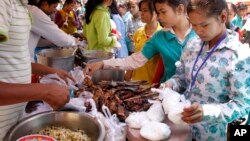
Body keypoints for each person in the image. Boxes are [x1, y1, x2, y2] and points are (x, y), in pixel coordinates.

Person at [162, 0, 250, 140]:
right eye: (193, 25)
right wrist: (171, 84)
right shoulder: (193, 44)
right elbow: (182, 78)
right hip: (183, 129)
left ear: (222, 17)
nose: (198, 31)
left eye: (204, 25)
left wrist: (207, 112)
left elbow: (243, 105)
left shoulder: (238, 55)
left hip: (213, 134)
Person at [0, 0, 73, 139]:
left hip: (13, 123)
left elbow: (15, 59)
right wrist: (44, 91)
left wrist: (51, 71)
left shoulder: (23, 6)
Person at [86, 0, 197, 84]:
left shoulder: (201, 32)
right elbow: (135, 60)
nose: (160, 17)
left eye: (163, 12)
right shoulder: (159, 37)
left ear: (180, 9)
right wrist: (103, 63)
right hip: (170, 95)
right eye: (158, 13)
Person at [124, 0, 162, 84]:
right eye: (141, 10)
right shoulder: (138, 32)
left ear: (156, 12)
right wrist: (128, 75)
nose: (142, 13)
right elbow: (135, 56)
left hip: (151, 84)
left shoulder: (161, 35)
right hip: (135, 82)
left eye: (145, 10)